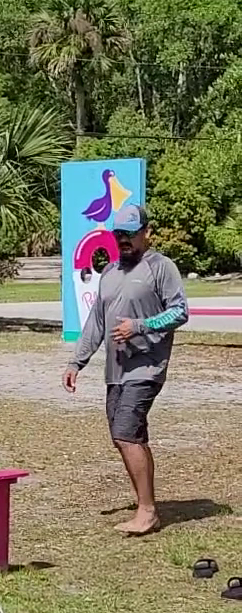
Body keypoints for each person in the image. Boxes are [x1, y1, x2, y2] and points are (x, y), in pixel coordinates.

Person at [63, 204, 188, 536]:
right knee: (127, 438)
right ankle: (144, 501)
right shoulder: (110, 273)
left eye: (130, 234)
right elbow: (96, 323)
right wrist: (77, 361)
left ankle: (147, 512)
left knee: (125, 433)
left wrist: (141, 325)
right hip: (115, 370)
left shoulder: (162, 267)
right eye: (119, 234)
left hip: (146, 367)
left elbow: (180, 311)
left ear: (146, 231)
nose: (124, 240)